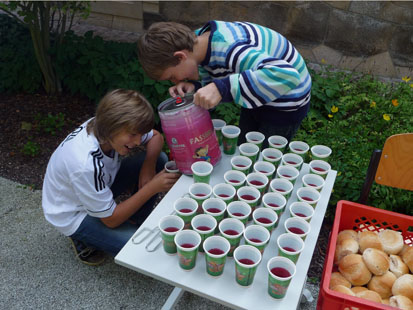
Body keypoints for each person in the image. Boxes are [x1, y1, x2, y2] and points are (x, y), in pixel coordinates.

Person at [42, 89, 180, 265]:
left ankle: (133, 221)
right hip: (72, 212)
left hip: (96, 185)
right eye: (133, 135)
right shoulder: (84, 164)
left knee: (158, 158)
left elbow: (155, 137)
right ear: (112, 126)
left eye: (139, 134)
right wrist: (151, 187)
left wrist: (148, 167)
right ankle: (84, 237)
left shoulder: (106, 126)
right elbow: (111, 220)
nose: (138, 142)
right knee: (143, 251)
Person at [137, 21, 312, 147]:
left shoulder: (230, 48)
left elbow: (287, 75)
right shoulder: (197, 42)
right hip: (258, 93)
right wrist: (198, 87)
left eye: (172, 76)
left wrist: (222, 88)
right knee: (245, 148)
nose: (175, 81)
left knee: (264, 161)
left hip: (286, 101)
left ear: (180, 56)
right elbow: (218, 68)